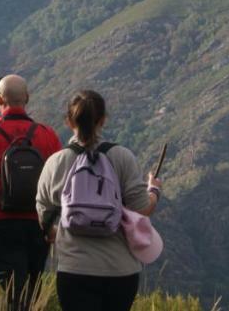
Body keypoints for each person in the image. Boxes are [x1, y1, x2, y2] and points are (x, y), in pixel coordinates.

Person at [35, 90, 163, 311]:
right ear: (103, 120)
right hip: (120, 271)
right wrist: (154, 190)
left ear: (68, 121)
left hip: (74, 269)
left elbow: (44, 214)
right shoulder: (122, 157)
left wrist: (56, 234)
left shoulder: (56, 162)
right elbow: (143, 209)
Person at [0, 74, 63, 311]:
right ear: (27, 98)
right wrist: (51, 222)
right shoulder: (47, 135)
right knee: (32, 291)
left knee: (14, 294)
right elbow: (60, 182)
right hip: (38, 226)